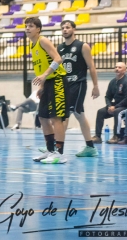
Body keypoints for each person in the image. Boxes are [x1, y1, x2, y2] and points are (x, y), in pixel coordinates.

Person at [26, 17, 68, 164]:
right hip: (47, 84)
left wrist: (45, 75)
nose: (27, 28)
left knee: (56, 117)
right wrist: (41, 87)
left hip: (57, 81)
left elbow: (58, 59)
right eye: (26, 26)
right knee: (43, 117)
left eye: (31, 26)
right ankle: (50, 151)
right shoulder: (33, 46)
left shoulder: (43, 41)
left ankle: (60, 153)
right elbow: (41, 68)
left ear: (38, 29)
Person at [58, 20, 100, 157]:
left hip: (79, 83)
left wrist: (95, 86)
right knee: (79, 114)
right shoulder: (60, 48)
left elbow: (91, 67)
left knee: (67, 114)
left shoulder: (82, 46)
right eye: (63, 28)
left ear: (74, 29)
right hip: (65, 85)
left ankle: (57, 147)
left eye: (68, 27)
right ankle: (90, 147)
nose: (65, 30)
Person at [93, 62, 127, 144]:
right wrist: (109, 106)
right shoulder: (112, 82)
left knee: (117, 112)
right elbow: (107, 96)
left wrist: (115, 107)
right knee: (100, 112)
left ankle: (116, 136)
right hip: (115, 105)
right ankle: (98, 136)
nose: (117, 69)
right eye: (116, 67)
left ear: (124, 70)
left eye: (119, 67)